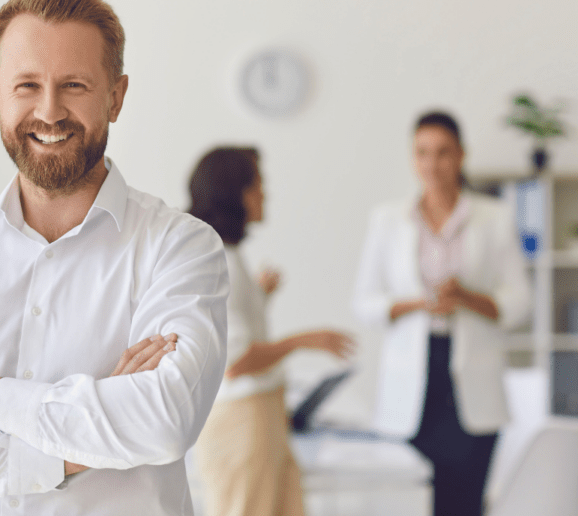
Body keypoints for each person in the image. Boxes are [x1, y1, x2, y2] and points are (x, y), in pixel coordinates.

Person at [0, 0, 229, 516]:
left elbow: (162, 420)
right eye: (27, 85)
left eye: (75, 85)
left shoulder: (180, 248)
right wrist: (74, 451)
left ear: (116, 96)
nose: (50, 111)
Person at [352, 111, 532, 516]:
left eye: (443, 153)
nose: (432, 164)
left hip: (471, 392)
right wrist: (419, 303)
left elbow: (521, 302)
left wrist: (466, 297)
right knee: (410, 504)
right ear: (413, 159)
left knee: (464, 506)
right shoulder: (388, 220)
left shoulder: (494, 218)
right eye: (422, 153)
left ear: (461, 156)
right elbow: (365, 301)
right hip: (413, 389)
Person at [188, 147, 355, 516]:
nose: (264, 195)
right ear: (234, 194)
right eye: (257, 186)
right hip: (242, 421)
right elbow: (237, 361)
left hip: (259, 418)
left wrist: (259, 297)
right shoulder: (220, 260)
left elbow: (232, 335)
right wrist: (306, 341)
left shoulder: (226, 255)